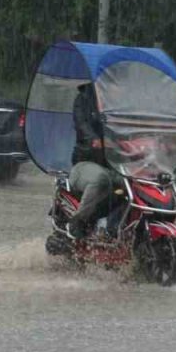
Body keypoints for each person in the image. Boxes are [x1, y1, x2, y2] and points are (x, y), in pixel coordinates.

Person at [67, 82, 115, 239]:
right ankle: (78, 220)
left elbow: (134, 126)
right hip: (86, 161)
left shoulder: (119, 104)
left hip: (116, 164)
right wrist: (94, 139)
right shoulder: (83, 100)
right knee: (101, 179)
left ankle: (118, 226)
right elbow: (81, 124)